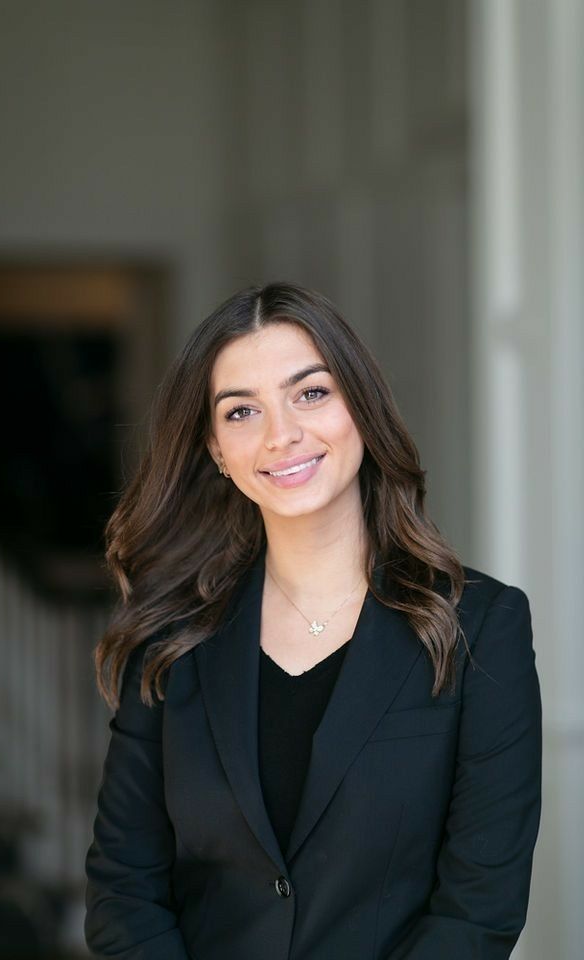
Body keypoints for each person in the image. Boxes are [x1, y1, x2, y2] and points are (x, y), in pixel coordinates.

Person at [84, 282, 542, 960]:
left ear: (360, 405)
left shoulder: (482, 625)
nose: (282, 434)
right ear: (215, 450)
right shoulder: (169, 641)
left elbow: (480, 909)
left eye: (311, 393)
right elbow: (124, 891)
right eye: (241, 412)